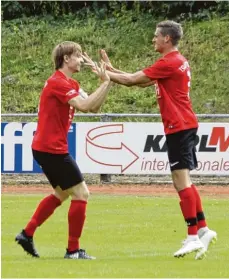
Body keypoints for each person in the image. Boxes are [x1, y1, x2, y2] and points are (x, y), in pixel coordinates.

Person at [86, 20, 217, 259]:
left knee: (181, 182)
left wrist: (107, 74)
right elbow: (140, 80)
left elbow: (133, 80)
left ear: (167, 39)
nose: (153, 39)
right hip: (183, 125)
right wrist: (112, 71)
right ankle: (203, 230)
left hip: (179, 126)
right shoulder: (174, 62)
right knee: (184, 180)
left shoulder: (170, 62)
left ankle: (191, 237)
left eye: (156, 36)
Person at [15, 41, 112, 260]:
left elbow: (93, 106)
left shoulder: (70, 83)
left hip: (47, 147)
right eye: (77, 56)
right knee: (81, 193)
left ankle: (26, 234)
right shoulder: (58, 82)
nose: (81, 60)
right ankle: (73, 251)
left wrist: (106, 82)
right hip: (51, 148)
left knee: (62, 193)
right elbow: (86, 106)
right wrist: (106, 81)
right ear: (66, 59)